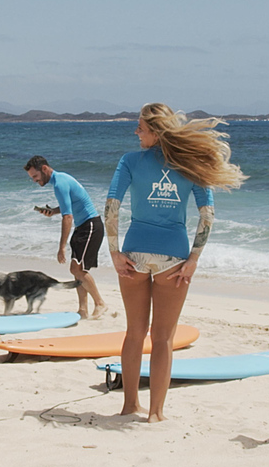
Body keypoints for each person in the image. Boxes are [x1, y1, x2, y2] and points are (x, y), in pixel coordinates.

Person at [105, 103, 246, 422]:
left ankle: (129, 406)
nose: (136, 132)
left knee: (134, 333)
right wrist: (194, 258)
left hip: (135, 254)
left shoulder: (129, 161)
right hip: (174, 257)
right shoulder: (190, 164)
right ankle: (156, 413)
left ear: (155, 131)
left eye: (140, 127)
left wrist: (114, 252)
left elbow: (112, 206)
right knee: (163, 338)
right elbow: (207, 215)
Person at [24, 155, 108, 319]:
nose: (34, 180)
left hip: (90, 226)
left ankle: (100, 303)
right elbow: (67, 207)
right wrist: (52, 211)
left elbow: (68, 217)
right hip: (83, 226)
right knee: (78, 270)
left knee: (77, 269)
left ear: (45, 169)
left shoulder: (60, 183)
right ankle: (83, 310)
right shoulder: (60, 180)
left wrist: (61, 247)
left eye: (35, 176)